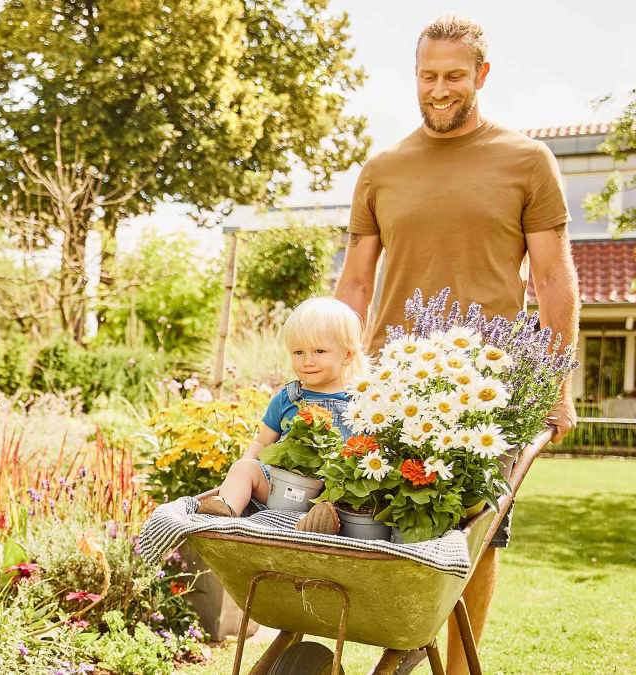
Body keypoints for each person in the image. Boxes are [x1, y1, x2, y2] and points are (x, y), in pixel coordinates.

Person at [334, 15, 581, 675]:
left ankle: (457, 665)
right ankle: (402, 646)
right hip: (388, 386)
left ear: (481, 75)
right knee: (374, 527)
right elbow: (355, 283)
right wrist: (327, 364)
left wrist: (555, 384)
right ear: (414, 76)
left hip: (485, 390)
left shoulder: (528, 161)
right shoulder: (382, 169)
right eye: (428, 75)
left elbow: (556, 281)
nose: (438, 89)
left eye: (453, 76)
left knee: (477, 537)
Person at [198, 297, 363, 524]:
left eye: (319, 351)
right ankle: (224, 510)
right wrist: (245, 464)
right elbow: (262, 443)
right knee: (244, 469)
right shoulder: (288, 398)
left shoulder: (360, 404)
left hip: (335, 495)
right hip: (284, 491)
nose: (308, 361)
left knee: (352, 497)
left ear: (347, 355)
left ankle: (319, 523)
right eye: (298, 353)